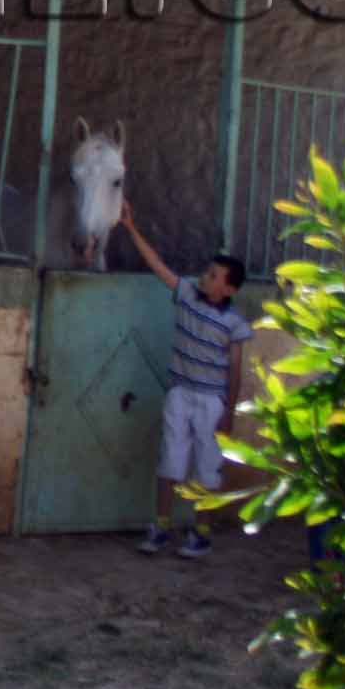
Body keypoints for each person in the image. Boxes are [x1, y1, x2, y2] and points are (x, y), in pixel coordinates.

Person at [115, 199, 250, 558]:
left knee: (207, 468)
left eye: (213, 276)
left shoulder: (235, 324)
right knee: (171, 461)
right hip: (180, 394)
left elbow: (236, 370)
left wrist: (230, 411)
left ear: (230, 289)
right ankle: (161, 525)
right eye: (207, 272)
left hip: (211, 401)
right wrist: (130, 227)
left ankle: (200, 531)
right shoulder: (188, 295)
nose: (205, 278)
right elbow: (158, 266)